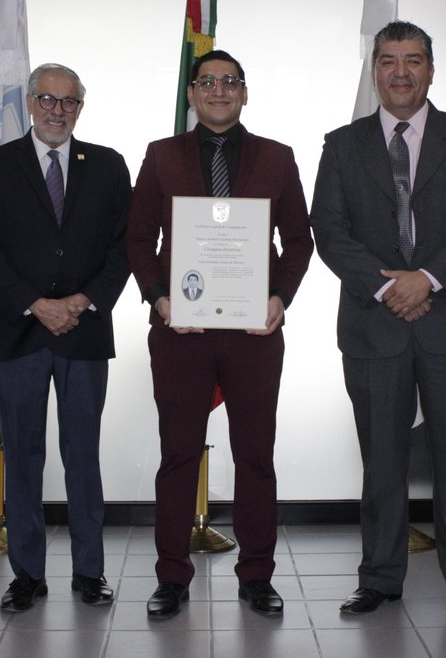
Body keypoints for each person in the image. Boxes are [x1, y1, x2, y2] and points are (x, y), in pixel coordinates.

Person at [310, 21, 446, 621]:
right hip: (376, 325)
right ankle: (380, 578)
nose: (401, 72)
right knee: (382, 461)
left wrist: (428, 279)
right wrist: (389, 285)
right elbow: (329, 231)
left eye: (413, 60)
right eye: (389, 60)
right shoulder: (342, 145)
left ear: (430, 69)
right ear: (374, 71)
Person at [126, 50, 314, 618]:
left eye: (229, 81)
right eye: (207, 82)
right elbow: (137, 240)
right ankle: (172, 577)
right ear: (191, 93)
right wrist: (160, 301)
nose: (218, 90)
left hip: (255, 332)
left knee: (256, 455)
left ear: (245, 93)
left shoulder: (277, 158)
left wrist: (279, 299)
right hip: (181, 331)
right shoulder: (161, 156)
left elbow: (299, 242)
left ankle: (257, 574)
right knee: (178, 455)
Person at [0, 63, 132, 613]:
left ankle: (90, 571)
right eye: (47, 99)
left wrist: (79, 303)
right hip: (18, 330)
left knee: (82, 453)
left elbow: (122, 247)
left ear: (80, 107)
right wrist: (36, 304)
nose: (58, 110)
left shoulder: (108, 166)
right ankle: (27, 574)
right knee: (23, 455)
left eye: (70, 101)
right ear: (31, 103)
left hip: (83, 332)